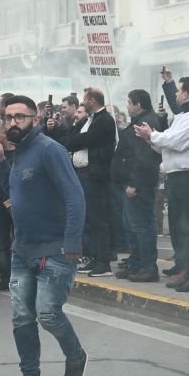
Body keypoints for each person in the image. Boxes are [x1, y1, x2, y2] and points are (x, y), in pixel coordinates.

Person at [0, 95, 87, 376]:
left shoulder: (50, 150)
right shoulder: (18, 153)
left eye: (20, 117)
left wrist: (73, 240)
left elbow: (74, 195)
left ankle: (75, 355)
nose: (13, 122)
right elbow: (13, 193)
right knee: (21, 317)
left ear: (35, 119)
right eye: (8, 117)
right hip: (22, 250)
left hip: (55, 249)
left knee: (47, 314)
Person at [135, 74, 189, 292]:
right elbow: (167, 141)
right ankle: (186, 270)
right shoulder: (184, 115)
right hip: (178, 176)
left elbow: (174, 141)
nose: (176, 94)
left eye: (178, 90)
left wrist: (153, 135)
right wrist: (151, 138)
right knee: (180, 228)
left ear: (186, 93)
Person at [64, 88, 117, 278]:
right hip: (83, 175)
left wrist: (77, 140)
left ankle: (104, 261)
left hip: (96, 176)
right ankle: (93, 257)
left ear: (93, 100)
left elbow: (83, 140)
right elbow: (70, 138)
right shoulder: (89, 119)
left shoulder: (104, 120)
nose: (82, 102)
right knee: (89, 219)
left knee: (99, 218)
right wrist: (75, 139)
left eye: (85, 99)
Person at [114, 90, 163, 281]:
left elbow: (145, 156)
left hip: (140, 183)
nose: (127, 106)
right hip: (131, 181)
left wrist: (134, 183)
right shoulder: (140, 121)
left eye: (129, 102)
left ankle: (148, 267)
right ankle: (136, 263)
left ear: (138, 104)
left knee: (141, 226)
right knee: (131, 225)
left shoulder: (146, 123)